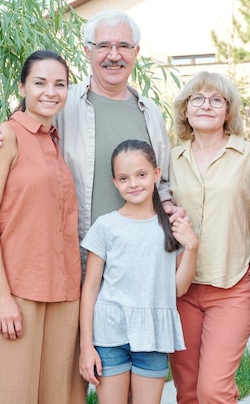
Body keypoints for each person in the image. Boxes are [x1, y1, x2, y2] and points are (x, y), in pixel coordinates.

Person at [0, 11, 183, 274]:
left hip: (139, 255)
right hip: (76, 254)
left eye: (123, 46)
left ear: (136, 52)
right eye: (103, 46)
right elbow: (18, 136)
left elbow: (162, 182)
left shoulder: (151, 112)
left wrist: (168, 206)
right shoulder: (60, 102)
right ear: (87, 51)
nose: (114, 55)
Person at [0, 50, 87, 404]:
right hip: (17, 291)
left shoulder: (55, 141)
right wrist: (2, 297)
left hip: (65, 294)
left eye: (60, 84)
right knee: (6, 395)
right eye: (40, 83)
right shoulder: (4, 137)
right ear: (22, 86)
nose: (50, 92)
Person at [78, 139, 198, 404]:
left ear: (156, 174)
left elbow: (178, 288)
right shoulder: (106, 226)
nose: (133, 184)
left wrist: (192, 248)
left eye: (141, 175)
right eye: (124, 178)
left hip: (152, 336)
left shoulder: (169, 226)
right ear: (114, 182)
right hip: (110, 335)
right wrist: (86, 346)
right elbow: (90, 288)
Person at [168, 72, 250, 404]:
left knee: (214, 390)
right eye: (197, 98)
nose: (206, 105)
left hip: (231, 287)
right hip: (181, 290)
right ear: (185, 110)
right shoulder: (170, 159)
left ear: (228, 111)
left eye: (216, 99)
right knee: (187, 391)